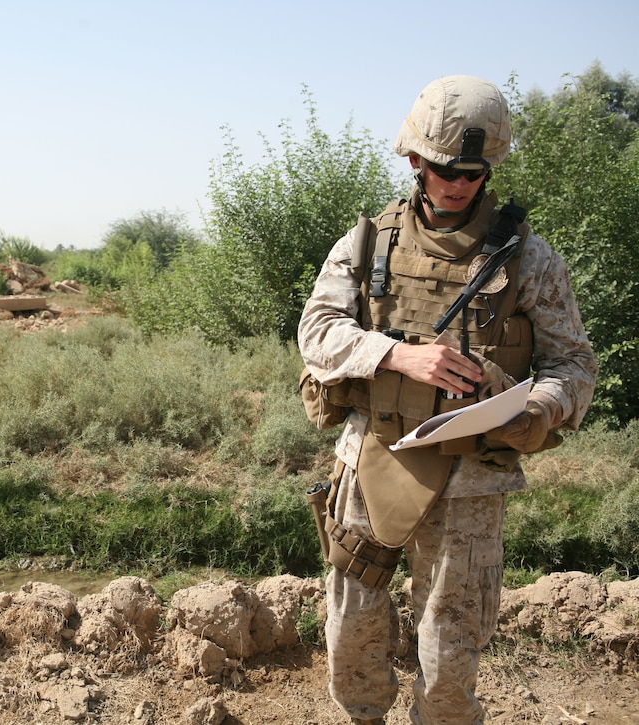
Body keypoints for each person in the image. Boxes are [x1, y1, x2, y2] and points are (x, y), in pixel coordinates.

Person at [297, 75, 598, 725]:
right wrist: (396, 353)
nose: (458, 184)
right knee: (351, 629)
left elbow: (573, 364)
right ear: (414, 161)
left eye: (473, 171)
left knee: (451, 649)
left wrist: (539, 408)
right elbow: (315, 333)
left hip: (472, 483)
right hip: (374, 458)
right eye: (443, 169)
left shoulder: (530, 261)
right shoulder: (369, 243)